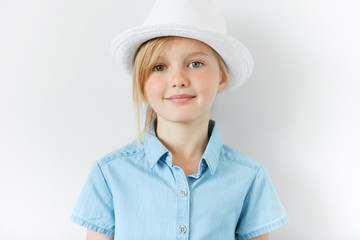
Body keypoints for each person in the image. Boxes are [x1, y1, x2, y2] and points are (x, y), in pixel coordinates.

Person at [70, 0, 289, 239]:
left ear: (222, 78)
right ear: (143, 85)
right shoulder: (109, 174)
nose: (178, 79)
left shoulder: (249, 177)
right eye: (159, 67)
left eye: (195, 63)